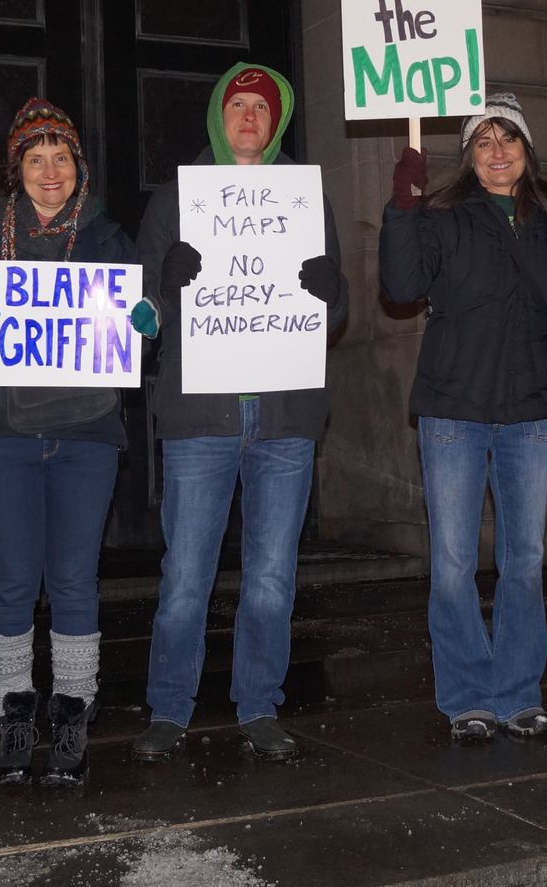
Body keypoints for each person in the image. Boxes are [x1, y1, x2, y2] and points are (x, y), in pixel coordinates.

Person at [0, 98, 158, 786]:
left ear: (78, 168)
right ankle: (9, 704)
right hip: (0, 437)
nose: (50, 171)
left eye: (61, 158)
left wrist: (148, 322)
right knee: (12, 579)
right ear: (16, 171)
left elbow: (137, 335)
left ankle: (76, 700)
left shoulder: (110, 241)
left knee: (74, 577)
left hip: (85, 436)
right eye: (36, 159)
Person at [130, 62, 348, 763]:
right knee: (186, 577)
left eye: (262, 105)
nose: (249, 115)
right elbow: (140, 318)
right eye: (237, 104)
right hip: (202, 418)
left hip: (284, 417)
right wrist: (164, 286)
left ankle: (259, 704)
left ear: (277, 120)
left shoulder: (305, 200)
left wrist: (329, 289)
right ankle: (169, 709)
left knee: (271, 578)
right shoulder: (174, 201)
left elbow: (333, 309)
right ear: (218, 118)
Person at [379, 93, 547, 742]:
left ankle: (518, 693)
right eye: (483, 141)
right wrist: (403, 206)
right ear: (467, 154)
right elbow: (401, 286)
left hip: (531, 408)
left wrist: (533, 232)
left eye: (508, 139)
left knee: (524, 559)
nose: (496, 152)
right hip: (455, 407)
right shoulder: (441, 214)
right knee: (454, 561)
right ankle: (466, 696)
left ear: (527, 149)